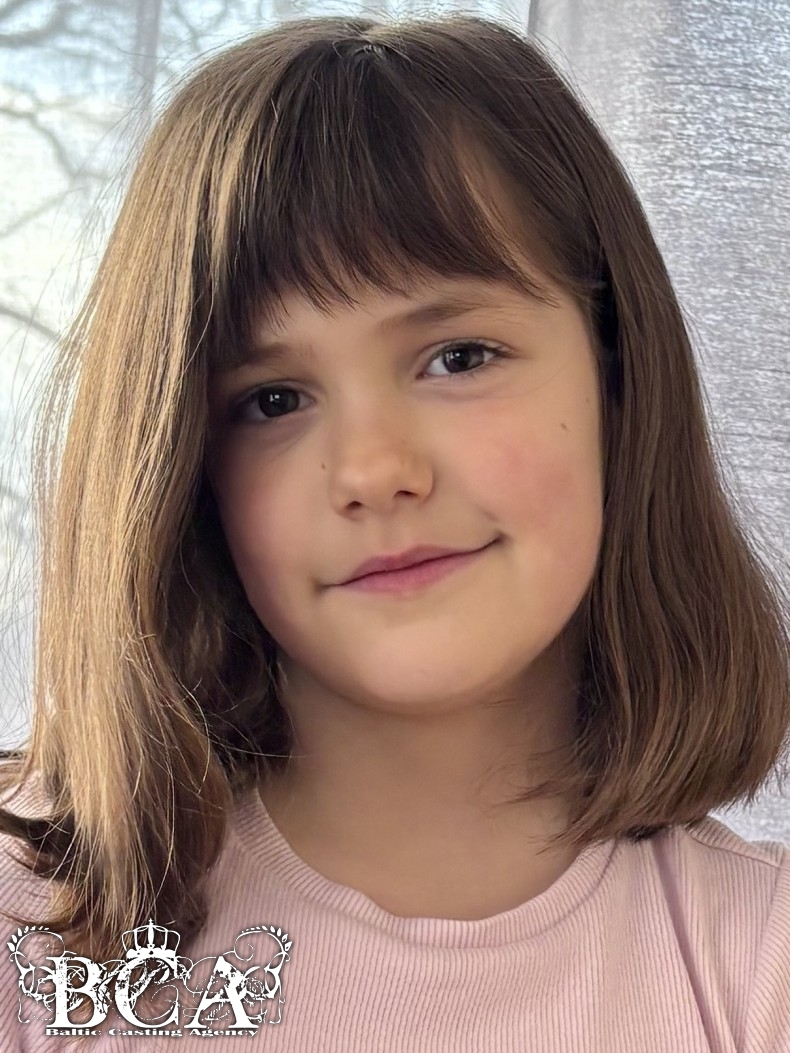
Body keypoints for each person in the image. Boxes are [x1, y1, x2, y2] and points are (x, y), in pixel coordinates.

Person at [0, 12, 788, 1052]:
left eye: (458, 357)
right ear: (183, 467)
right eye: (274, 400)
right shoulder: (33, 934)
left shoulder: (762, 963)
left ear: (618, 377)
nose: (374, 472)